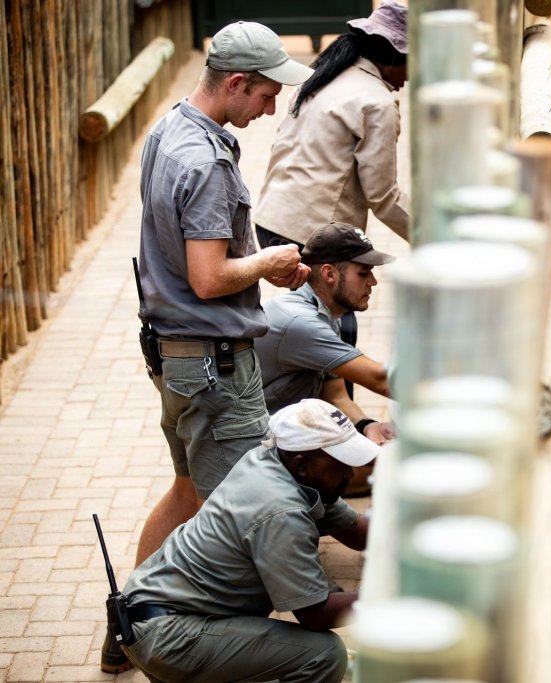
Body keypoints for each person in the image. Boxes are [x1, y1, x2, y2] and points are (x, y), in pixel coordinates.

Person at [108, 21, 314, 674]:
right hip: (216, 368)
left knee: (186, 491)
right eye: (265, 94)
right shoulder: (206, 162)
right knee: (249, 519)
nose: (271, 107)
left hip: (177, 357)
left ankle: (127, 626)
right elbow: (208, 275)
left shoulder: (170, 130)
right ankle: (219, 652)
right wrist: (270, 263)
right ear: (235, 82)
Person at [116, 399, 377, 683]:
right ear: (302, 464)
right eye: (341, 465)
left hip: (157, 616)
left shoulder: (275, 460)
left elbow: (357, 532)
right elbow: (315, 614)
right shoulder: (282, 510)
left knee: (326, 591)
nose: (350, 474)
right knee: (323, 655)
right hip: (170, 638)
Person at [252, 0, 410, 249]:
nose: (410, 76)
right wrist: (429, 236)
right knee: (357, 285)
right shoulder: (378, 103)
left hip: (270, 221)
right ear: (394, 56)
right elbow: (382, 196)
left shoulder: (323, 76)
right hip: (312, 237)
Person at [255, 223, 396, 454]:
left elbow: (335, 395)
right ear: (329, 273)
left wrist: (367, 425)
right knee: (390, 467)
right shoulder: (301, 322)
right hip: (251, 446)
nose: (373, 281)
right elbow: (381, 380)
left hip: (283, 434)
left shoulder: (327, 314)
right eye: (363, 273)